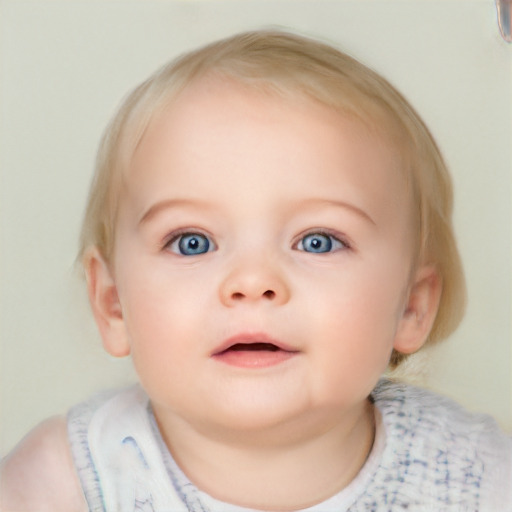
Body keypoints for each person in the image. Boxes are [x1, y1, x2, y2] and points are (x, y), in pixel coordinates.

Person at [1, 30, 510, 512]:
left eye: (318, 241)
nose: (252, 282)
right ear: (113, 303)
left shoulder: (477, 477)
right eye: (192, 243)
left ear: (411, 304)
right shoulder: (61, 484)